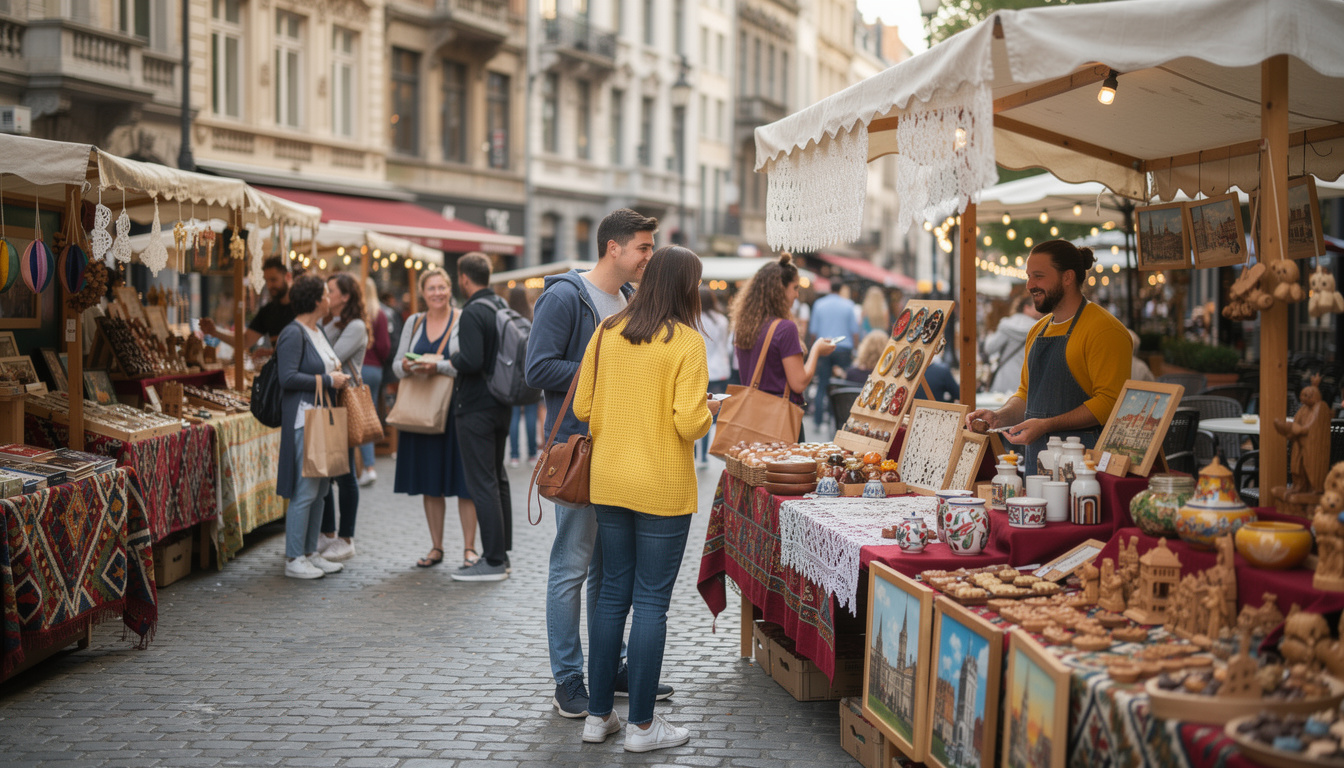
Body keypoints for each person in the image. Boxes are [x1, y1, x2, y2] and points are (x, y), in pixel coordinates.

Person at [574, 245, 718, 753]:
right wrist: (709, 409)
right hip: (662, 485)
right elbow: (688, 422)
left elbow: (584, 405)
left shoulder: (607, 331)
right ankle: (640, 727)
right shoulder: (687, 342)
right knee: (652, 602)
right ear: (686, 287)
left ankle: (597, 717)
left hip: (609, 480)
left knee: (612, 594)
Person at [526, 207, 657, 718]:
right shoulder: (564, 297)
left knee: (610, 569)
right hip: (581, 452)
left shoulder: (627, 299)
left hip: (622, 450)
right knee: (571, 567)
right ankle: (569, 678)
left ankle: (610, 667)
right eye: (644, 247)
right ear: (614, 248)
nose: (649, 256)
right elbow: (538, 368)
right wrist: (605, 370)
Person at [965, 240, 1131, 472]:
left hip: (1084, 468)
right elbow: (1025, 394)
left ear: (1067, 277)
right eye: (1029, 276)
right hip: (1037, 464)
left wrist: (1047, 425)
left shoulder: (1104, 330)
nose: (1029, 285)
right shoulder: (1037, 329)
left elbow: (1110, 403)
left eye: (1039, 276)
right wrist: (999, 417)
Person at [392, 267, 477, 570]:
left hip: (455, 410)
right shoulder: (413, 323)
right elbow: (396, 365)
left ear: (449, 289)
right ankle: (436, 547)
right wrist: (407, 366)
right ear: (423, 293)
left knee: (464, 482)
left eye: (442, 287)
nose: (437, 293)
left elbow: (466, 362)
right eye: (432, 289)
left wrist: (436, 366)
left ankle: (469, 549)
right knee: (431, 482)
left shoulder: (461, 319)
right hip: (421, 411)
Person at [274, 274, 351, 579]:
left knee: (319, 492)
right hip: (304, 419)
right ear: (316, 300)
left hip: (321, 418)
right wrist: (327, 380)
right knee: (305, 491)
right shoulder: (293, 333)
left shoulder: (317, 330)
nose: (329, 298)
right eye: (325, 294)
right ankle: (294, 558)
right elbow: (287, 377)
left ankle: (309, 552)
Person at [449, 252, 513, 582]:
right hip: (502, 403)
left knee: (483, 482)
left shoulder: (473, 310)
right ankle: (502, 553)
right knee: (497, 478)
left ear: (464, 278)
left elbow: (471, 359)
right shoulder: (501, 306)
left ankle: (492, 559)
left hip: (475, 406)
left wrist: (451, 355)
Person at [730, 253, 836, 441]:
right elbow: (799, 382)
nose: (797, 294)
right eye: (794, 288)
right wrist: (816, 351)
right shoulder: (785, 328)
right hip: (779, 419)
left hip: (753, 419)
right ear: (779, 290)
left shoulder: (744, 326)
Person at [314, 273, 368, 563]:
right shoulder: (325, 321)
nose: (326, 293)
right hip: (326, 402)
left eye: (330, 290)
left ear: (345, 296)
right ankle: (328, 532)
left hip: (345, 403)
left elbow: (331, 358)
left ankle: (346, 537)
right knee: (326, 469)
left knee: (345, 473)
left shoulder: (356, 326)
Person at [201, 256, 293, 356]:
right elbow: (245, 341)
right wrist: (215, 332)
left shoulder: (303, 306)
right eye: (267, 281)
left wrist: (271, 353)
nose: (269, 285)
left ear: (288, 277)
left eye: (274, 280)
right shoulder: (268, 311)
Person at [807, 282, 858, 428]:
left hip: (823, 348)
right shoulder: (848, 305)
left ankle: (817, 421)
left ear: (829, 289)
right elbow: (854, 331)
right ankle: (839, 420)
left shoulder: (819, 304)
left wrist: (814, 349)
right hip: (843, 349)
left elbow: (813, 332)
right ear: (841, 289)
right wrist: (855, 349)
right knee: (842, 386)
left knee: (822, 384)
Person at [358, 276, 391, 486]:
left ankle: (366, 467)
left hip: (360, 369)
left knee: (358, 420)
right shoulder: (380, 314)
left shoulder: (357, 315)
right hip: (375, 369)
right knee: (368, 417)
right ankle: (367, 466)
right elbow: (385, 347)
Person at [981, 293, 1042, 394]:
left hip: (1004, 379)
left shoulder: (1007, 325)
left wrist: (990, 336)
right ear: (1026, 308)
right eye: (1036, 306)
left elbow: (990, 348)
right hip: (1028, 381)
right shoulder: (1041, 328)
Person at [698, 287, 732, 467]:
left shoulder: (693, 319)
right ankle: (706, 454)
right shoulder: (721, 320)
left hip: (700, 369)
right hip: (719, 369)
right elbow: (726, 346)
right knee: (712, 412)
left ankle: (697, 452)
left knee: (698, 410)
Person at [507, 286, 540, 468]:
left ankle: (513, 456)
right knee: (530, 412)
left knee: (513, 414)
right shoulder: (532, 317)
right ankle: (532, 454)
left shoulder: (506, 318)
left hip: (511, 373)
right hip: (529, 371)